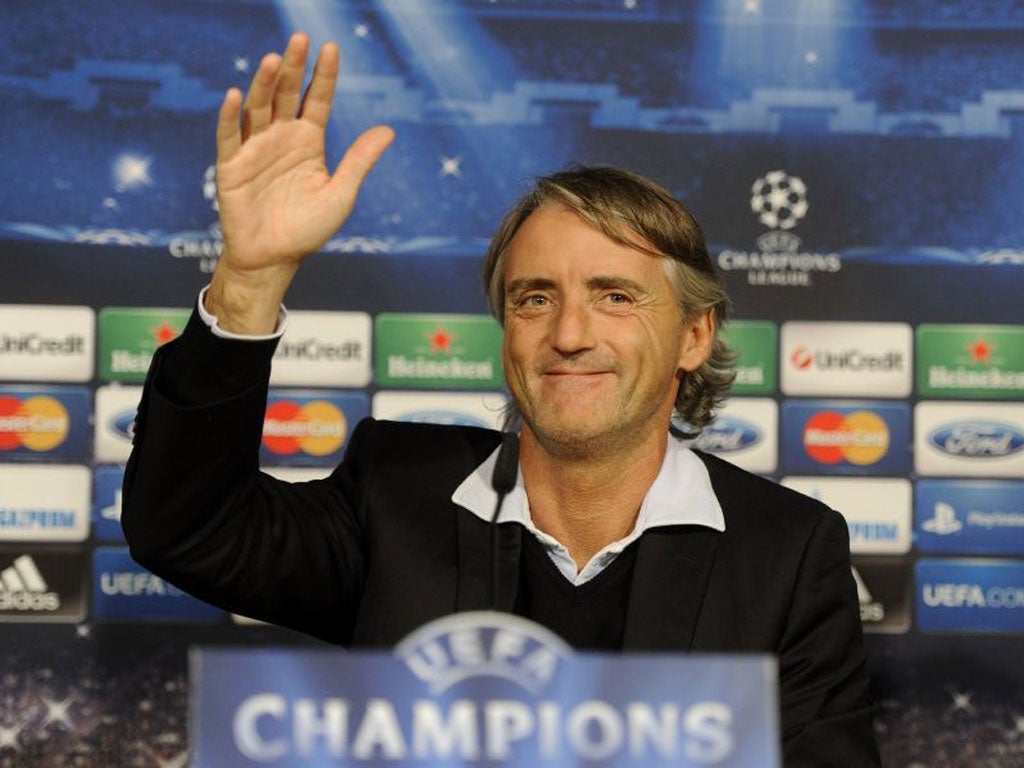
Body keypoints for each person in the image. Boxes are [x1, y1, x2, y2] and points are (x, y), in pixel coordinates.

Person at [121, 33, 880, 767]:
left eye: (615, 297)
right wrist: (250, 279)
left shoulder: (787, 550)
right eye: (534, 299)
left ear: (694, 336)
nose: (570, 334)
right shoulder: (396, 496)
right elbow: (186, 529)